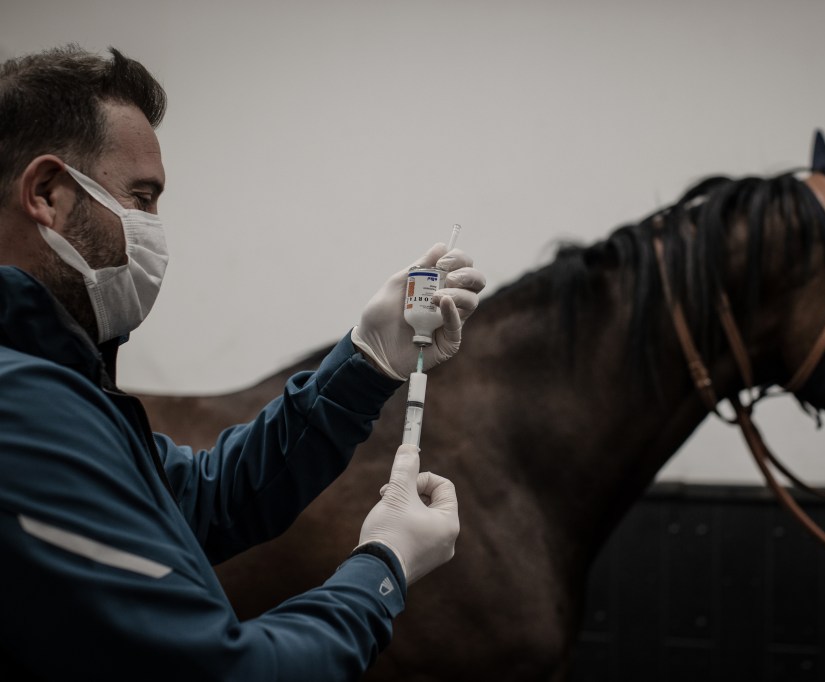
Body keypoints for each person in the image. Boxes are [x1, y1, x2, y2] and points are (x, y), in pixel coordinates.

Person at [0, 44, 486, 681]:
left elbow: (207, 500)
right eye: (141, 199)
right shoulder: (22, 413)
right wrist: (383, 567)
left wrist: (366, 362)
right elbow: (227, 670)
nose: (154, 229)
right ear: (47, 194)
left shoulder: (60, 386)